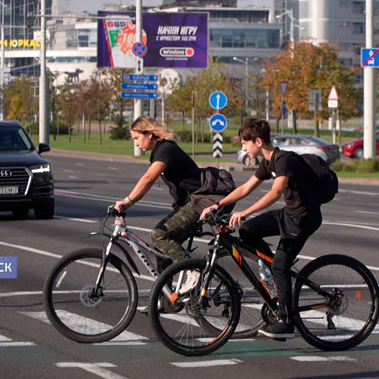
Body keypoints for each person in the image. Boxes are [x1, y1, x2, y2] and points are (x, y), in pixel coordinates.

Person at [200, 119, 322, 340]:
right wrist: (217, 205)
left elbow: (276, 192)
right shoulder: (268, 162)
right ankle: (273, 271)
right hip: (289, 214)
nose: (243, 148)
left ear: (258, 141)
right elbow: (246, 188)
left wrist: (245, 211)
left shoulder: (283, 160)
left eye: (245, 143)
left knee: (280, 265)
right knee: (247, 230)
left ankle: (286, 321)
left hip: (304, 218)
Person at [114, 116, 203, 278]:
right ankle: (166, 301)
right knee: (162, 251)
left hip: (198, 202)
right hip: (187, 204)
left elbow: (148, 178)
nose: (135, 143)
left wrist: (127, 202)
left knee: (158, 235)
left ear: (149, 134)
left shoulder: (166, 149)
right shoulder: (159, 151)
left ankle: (193, 272)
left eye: (136, 138)